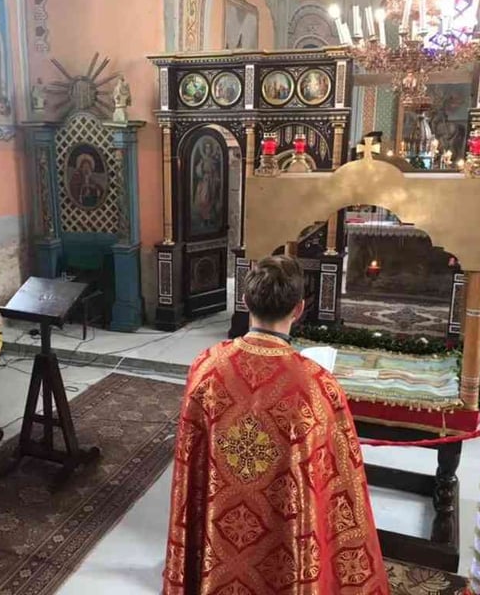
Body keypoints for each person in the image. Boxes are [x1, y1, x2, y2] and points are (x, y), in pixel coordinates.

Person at [162, 255, 390, 594]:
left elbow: (190, 467)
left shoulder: (206, 367)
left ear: (245, 301)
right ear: (299, 309)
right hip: (285, 541)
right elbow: (340, 483)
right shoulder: (317, 385)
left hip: (219, 536)